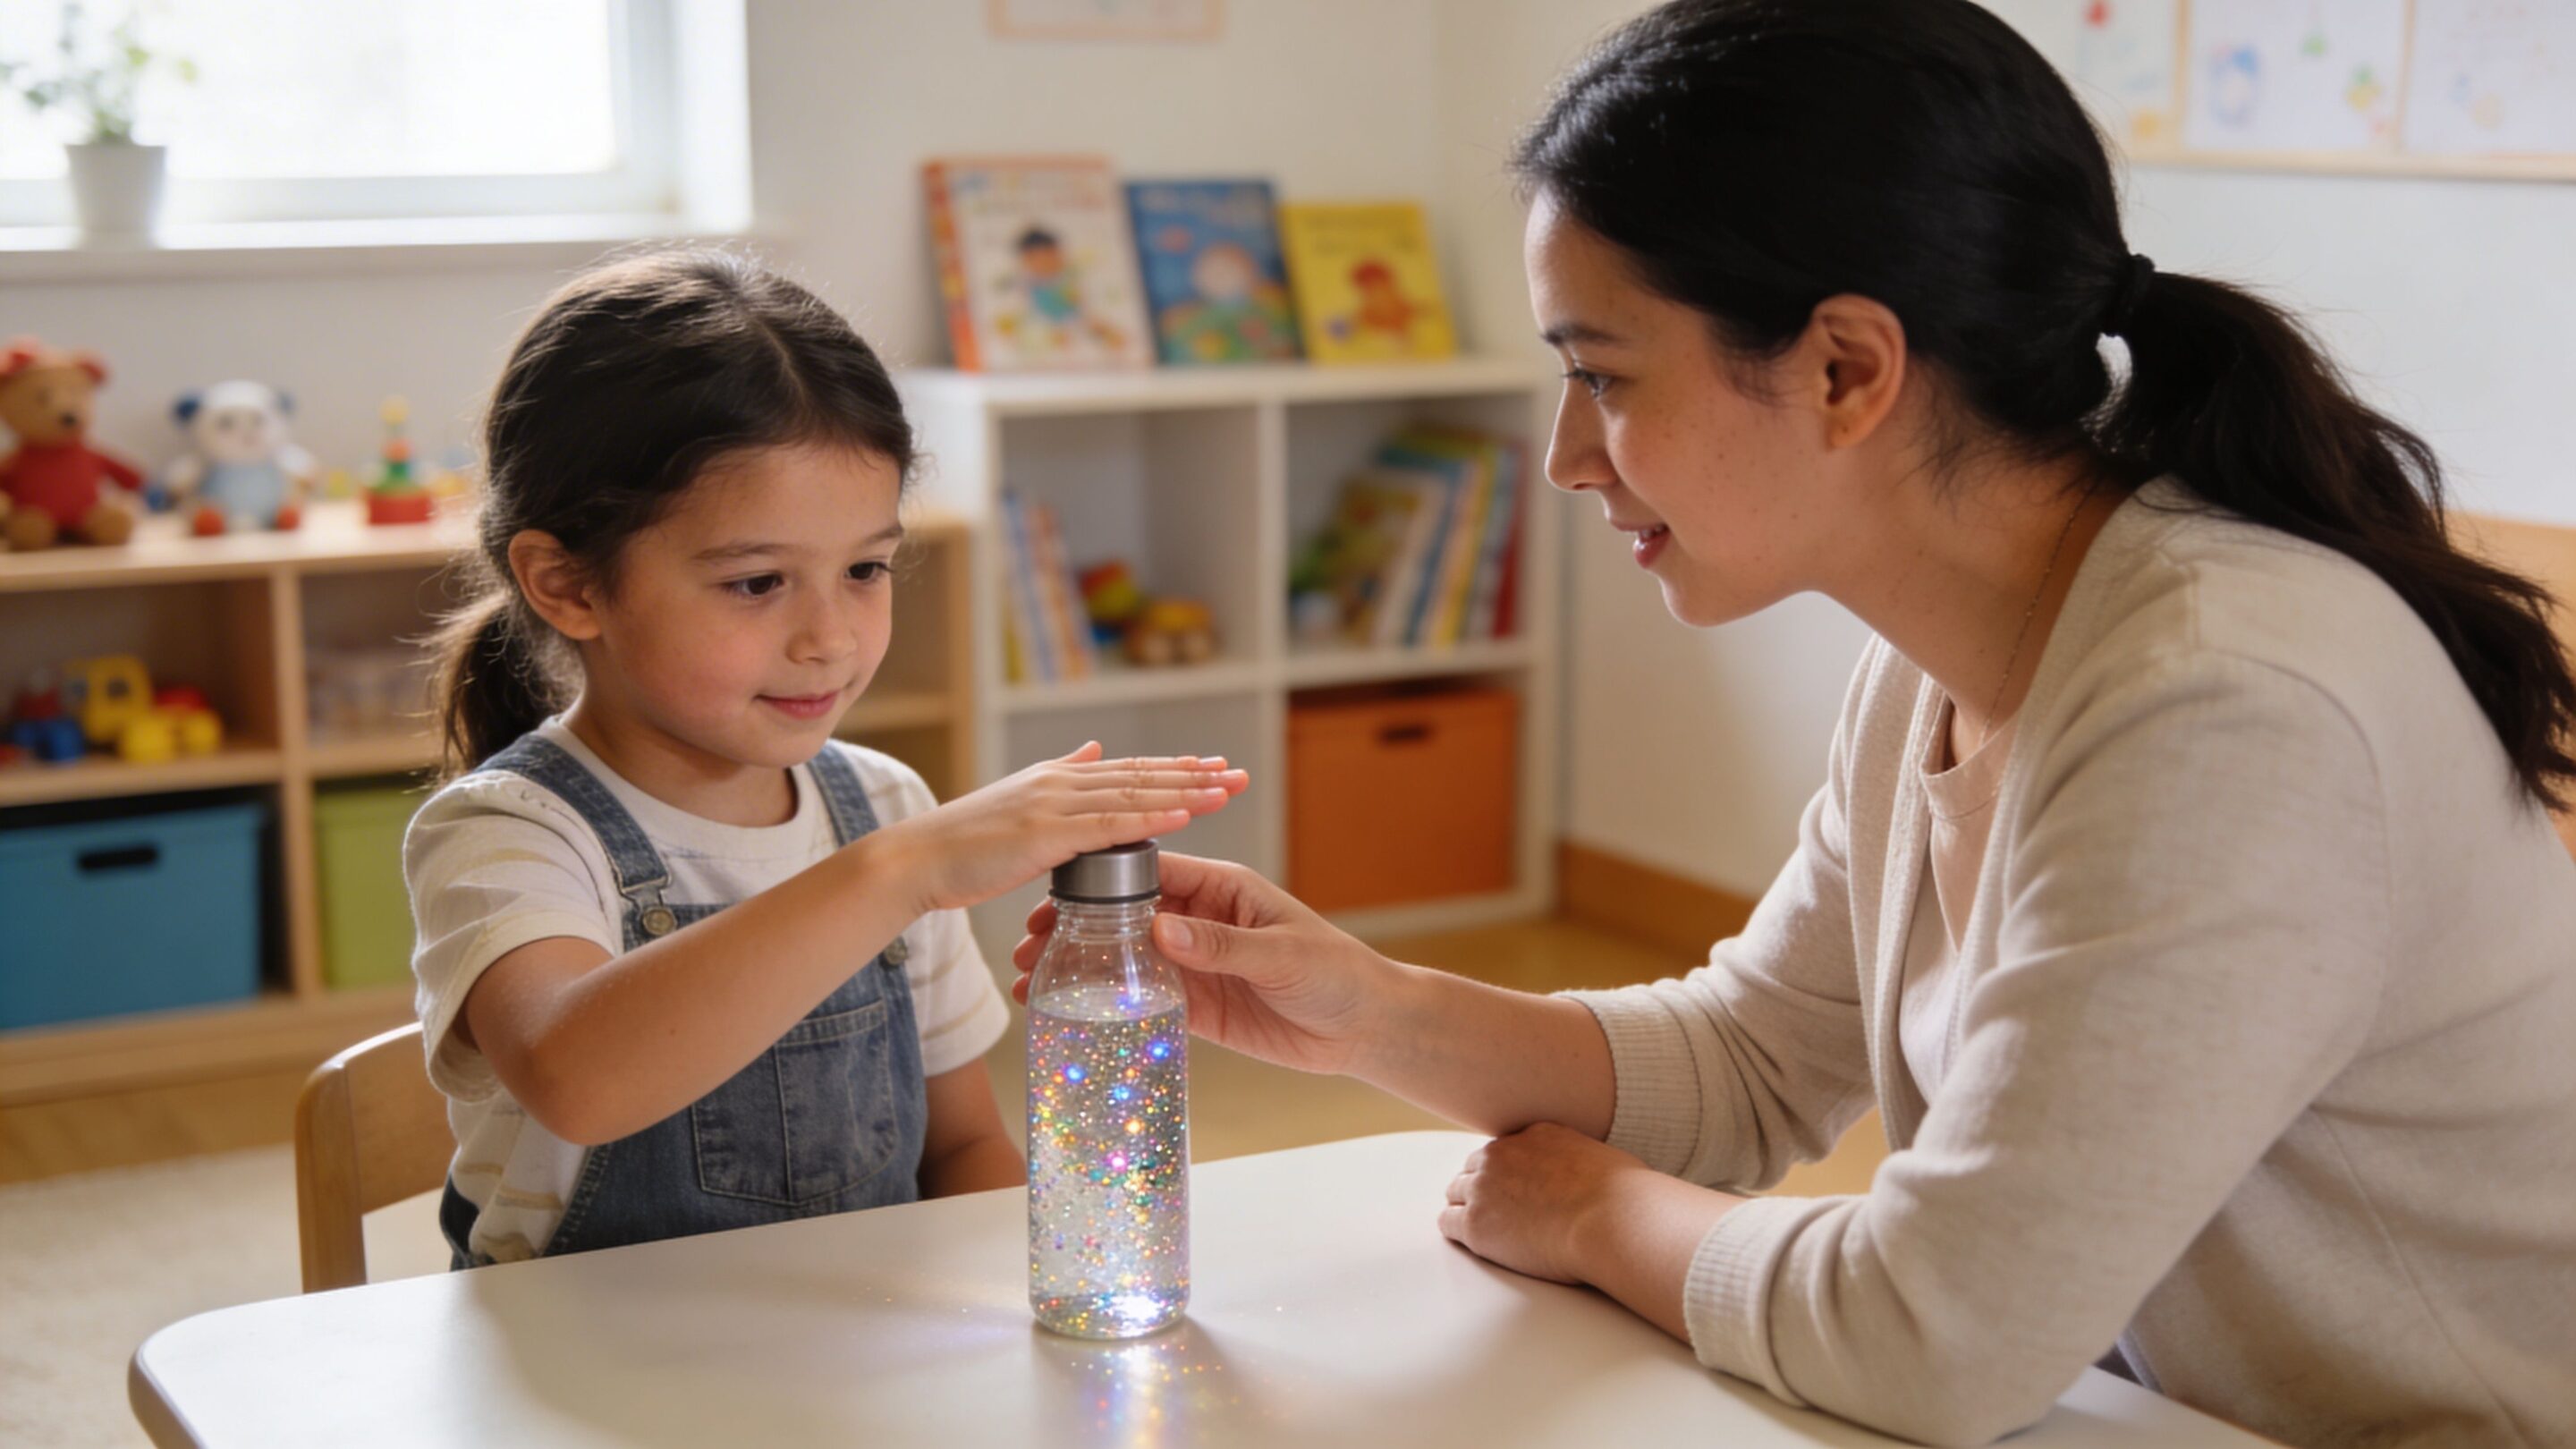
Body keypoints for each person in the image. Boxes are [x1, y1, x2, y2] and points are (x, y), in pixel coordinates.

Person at [1015, 4, 2576, 1445]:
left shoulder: (2228, 703)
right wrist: (1370, 1011)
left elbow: (1939, 1334)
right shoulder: (1946, 657)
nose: (1567, 456)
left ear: (1844, 368)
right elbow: (1759, 1064)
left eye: (1602, 375)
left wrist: (1591, 1217)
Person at [408, 250, 1245, 1267]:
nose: (831, 639)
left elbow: (964, 1144)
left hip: (857, 1360)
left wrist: (1062, 1282)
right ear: (568, 585)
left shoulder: (883, 804)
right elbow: (577, 1080)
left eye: (865, 569)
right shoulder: (508, 830)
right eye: (758, 583)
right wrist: (906, 869)